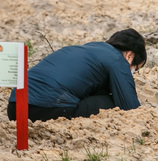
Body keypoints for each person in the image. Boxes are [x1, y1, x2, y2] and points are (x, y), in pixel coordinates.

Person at [7, 28, 146, 122]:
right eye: (135, 69)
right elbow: (131, 108)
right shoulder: (117, 60)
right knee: (113, 103)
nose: (133, 73)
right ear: (130, 56)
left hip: (15, 108)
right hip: (47, 109)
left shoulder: (87, 49)